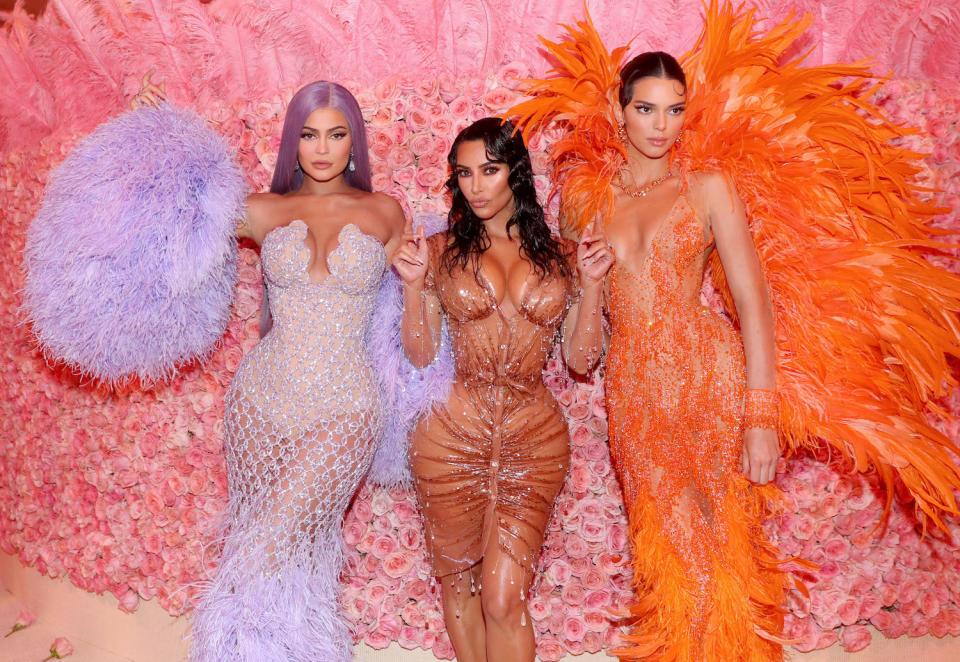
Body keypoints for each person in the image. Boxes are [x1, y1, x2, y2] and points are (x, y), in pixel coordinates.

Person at [186, 80, 406, 662]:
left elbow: (409, 325)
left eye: (337, 134)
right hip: (261, 401)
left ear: (354, 143)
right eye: (309, 135)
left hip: (347, 406)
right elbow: (176, 215)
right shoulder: (262, 209)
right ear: (292, 141)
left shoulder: (384, 212)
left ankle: (221, 650)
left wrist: (422, 284)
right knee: (265, 538)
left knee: (270, 544)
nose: (323, 148)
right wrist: (154, 130)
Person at [391, 117, 611, 662]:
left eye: (489, 170)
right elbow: (420, 353)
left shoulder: (562, 256)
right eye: (464, 173)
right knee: (460, 585)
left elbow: (582, 361)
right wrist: (415, 288)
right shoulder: (439, 251)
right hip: (449, 436)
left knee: (504, 598)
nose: (476, 186)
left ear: (515, 172)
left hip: (533, 438)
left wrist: (594, 283)